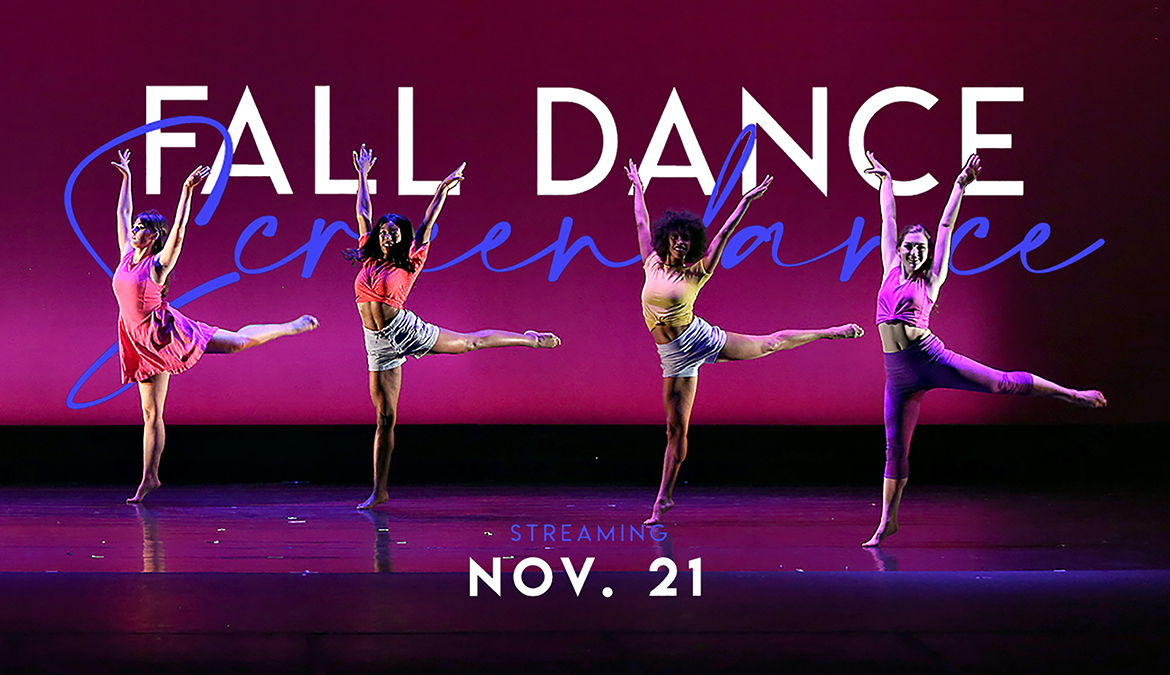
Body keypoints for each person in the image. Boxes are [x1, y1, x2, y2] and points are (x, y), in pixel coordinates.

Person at [862, 150, 1107, 547]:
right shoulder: (890, 264)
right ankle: (887, 521)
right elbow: (888, 218)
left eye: (921, 249)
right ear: (901, 248)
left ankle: (1072, 394)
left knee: (1001, 384)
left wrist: (959, 186)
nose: (914, 252)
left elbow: (945, 225)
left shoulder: (932, 278)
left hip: (931, 359)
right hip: (898, 376)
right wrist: (886, 181)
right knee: (895, 448)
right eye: (910, 246)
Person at [625, 159, 865, 525]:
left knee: (767, 344)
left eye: (685, 239)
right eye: (674, 237)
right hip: (672, 358)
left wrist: (746, 202)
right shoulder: (652, 263)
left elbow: (725, 232)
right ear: (667, 240)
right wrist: (638, 188)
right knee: (676, 429)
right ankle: (665, 500)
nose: (679, 242)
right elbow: (642, 222)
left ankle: (830, 331)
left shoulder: (698, 271)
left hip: (699, 339)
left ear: (691, 245)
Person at [347, 145, 561, 509]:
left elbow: (427, 221)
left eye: (394, 231)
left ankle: (529, 340)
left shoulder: (412, 259)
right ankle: (380, 490)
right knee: (386, 418)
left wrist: (441, 191)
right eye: (384, 230)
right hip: (377, 343)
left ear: (402, 238)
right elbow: (364, 211)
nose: (387, 234)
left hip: (404, 329)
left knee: (469, 344)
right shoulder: (367, 249)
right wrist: (364, 174)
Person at [111, 150, 319, 503]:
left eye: (143, 228)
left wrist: (186, 193)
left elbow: (179, 232)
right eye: (135, 227)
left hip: (166, 334)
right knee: (152, 414)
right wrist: (127, 179)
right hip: (138, 339)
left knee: (237, 343)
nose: (134, 230)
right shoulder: (126, 255)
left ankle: (290, 326)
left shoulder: (159, 264)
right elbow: (122, 212)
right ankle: (150, 478)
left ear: (154, 235)